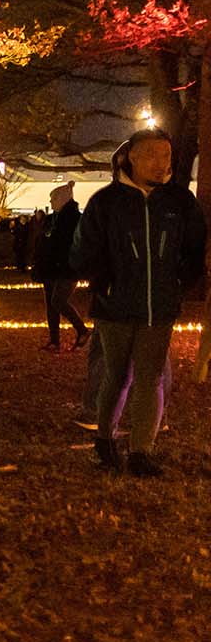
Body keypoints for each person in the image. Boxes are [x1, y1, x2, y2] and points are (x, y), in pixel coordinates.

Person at [72, 128, 205, 476]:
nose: (161, 163)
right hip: (115, 308)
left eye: (166, 155)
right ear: (131, 156)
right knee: (117, 374)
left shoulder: (179, 203)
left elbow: (194, 249)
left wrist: (179, 284)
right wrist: (104, 282)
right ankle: (104, 441)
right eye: (152, 155)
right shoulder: (106, 202)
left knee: (150, 376)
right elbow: (83, 250)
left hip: (158, 308)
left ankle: (141, 452)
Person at [33, 181, 87, 352]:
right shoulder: (53, 219)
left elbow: (75, 244)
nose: (51, 202)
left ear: (62, 199)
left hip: (67, 268)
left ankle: (83, 331)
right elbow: (43, 242)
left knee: (58, 300)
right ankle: (54, 340)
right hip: (49, 267)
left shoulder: (74, 220)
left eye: (53, 198)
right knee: (51, 303)